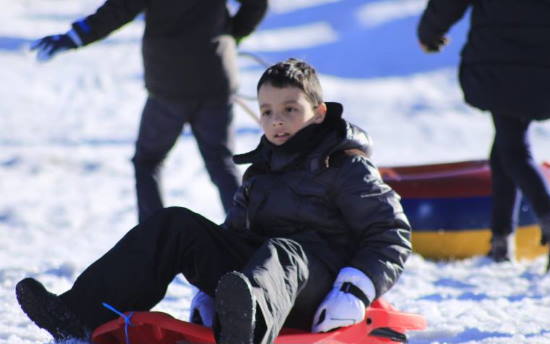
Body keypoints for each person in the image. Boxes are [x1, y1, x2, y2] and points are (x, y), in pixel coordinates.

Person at [15, 59, 412, 344]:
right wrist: (212, 290)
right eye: (268, 111)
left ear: (318, 112)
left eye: (290, 110)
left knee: (283, 250)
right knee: (176, 224)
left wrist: (355, 290)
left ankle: (246, 330)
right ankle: (78, 316)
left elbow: (390, 234)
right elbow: (234, 236)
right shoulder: (262, 170)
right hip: (259, 281)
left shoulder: (344, 165)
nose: (277, 120)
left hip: (318, 288)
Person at [30, 0, 268, 222]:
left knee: (148, 162)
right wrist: (233, 33)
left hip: (169, 85)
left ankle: (153, 243)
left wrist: (73, 37)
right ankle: (247, 237)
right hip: (215, 75)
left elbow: (118, 10)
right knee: (221, 163)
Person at [417, 0, 550, 264]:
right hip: (540, 61)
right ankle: (500, 240)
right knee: (507, 142)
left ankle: (535, 221)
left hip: (500, 58)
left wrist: (430, 33)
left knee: (513, 149)